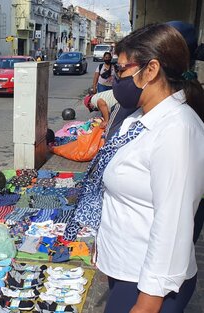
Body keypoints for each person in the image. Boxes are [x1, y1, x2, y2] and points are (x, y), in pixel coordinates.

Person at [67, 23, 204, 313]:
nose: (116, 77)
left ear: (151, 70)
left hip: (150, 287)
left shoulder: (177, 129)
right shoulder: (138, 119)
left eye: (121, 69)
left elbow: (174, 222)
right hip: (126, 270)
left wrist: (148, 302)